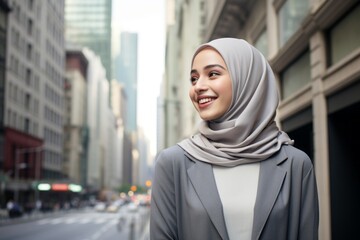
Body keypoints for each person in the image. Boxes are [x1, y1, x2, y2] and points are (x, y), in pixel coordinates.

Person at [150, 38, 319, 240]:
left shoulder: (296, 165)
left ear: (246, 79)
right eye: (194, 79)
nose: (198, 87)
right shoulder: (172, 163)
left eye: (213, 74)